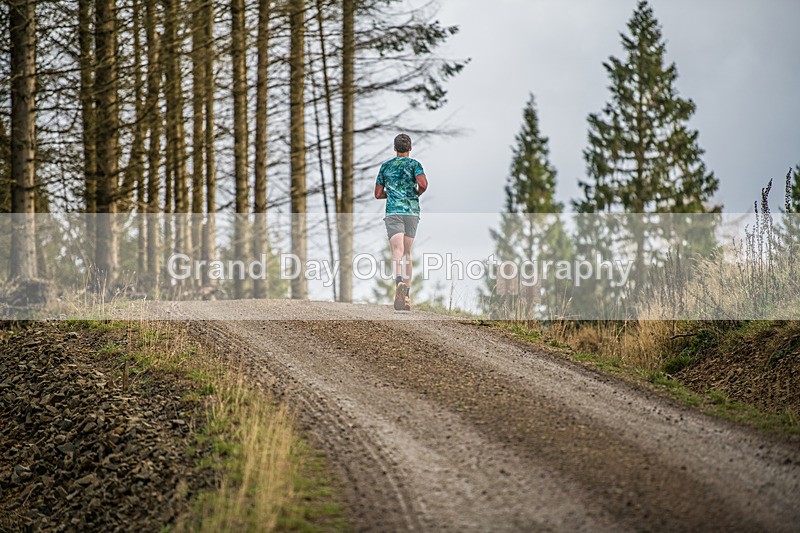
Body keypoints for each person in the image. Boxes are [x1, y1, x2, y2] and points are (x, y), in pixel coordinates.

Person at [374, 133, 428, 311]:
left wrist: (392, 195)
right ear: (410, 148)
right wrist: (416, 193)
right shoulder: (415, 165)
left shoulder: (386, 167)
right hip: (411, 211)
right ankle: (406, 296)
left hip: (393, 212)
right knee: (407, 253)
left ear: (395, 148)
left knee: (397, 250)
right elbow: (423, 184)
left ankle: (398, 283)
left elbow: (377, 194)